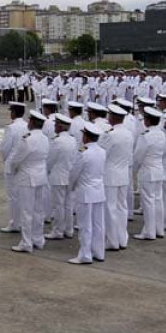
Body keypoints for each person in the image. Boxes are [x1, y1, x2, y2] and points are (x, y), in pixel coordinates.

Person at [7, 111, 50, 253]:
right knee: (39, 210)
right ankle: (38, 239)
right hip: (41, 176)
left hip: (27, 177)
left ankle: (26, 242)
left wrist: (14, 170)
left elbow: (16, 160)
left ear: (32, 123)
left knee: (26, 211)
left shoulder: (27, 139)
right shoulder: (45, 138)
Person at [67, 121, 107, 265]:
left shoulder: (83, 153)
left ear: (87, 137)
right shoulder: (102, 152)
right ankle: (99, 252)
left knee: (85, 225)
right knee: (98, 224)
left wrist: (71, 188)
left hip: (85, 192)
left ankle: (85, 254)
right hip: (99, 191)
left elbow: (74, 173)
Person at [99, 104, 135, 251]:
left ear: (112, 117)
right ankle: (122, 238)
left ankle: (112, 240)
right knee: (122, 207)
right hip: (123, 174)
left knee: (110, 208)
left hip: (110, 175)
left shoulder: (110, 134)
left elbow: (102, 154)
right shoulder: (128, 133)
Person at [133, 107, 166, 241]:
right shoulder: (161, 134)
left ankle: (149, 231)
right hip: (159, 169)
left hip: (147, 170)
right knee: (158, 200)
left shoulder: (146, 136)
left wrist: (133, 171)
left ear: (147, 120)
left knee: (148, 202)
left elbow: (137, 157)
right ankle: (159, 229)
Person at [45, 114, 77, 240]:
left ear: (60, 126)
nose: (54, 126)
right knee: (68, 204)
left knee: (58, 205)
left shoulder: (57, 141)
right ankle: (69, 229)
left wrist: (47, 170)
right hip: (69, 175)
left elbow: (50, 160)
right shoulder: (72, 139)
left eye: (56, 124)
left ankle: (58, 230)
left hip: (57, 176)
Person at [0, 101, 28, 234]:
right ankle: (21, 222)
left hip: (11, 164)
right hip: (23, 163)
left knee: (13, 196)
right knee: (22, 195)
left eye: (11, 111)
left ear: (14, 113)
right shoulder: (27, 125)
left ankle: (14, 223)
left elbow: (5, 148)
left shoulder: (11, 128)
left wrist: (7, 161)